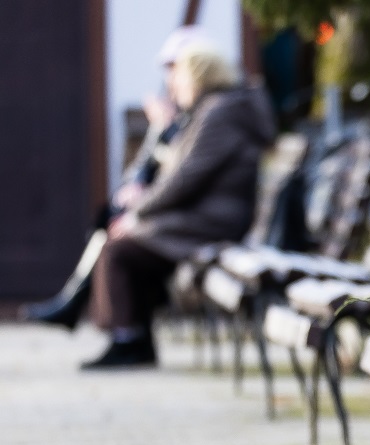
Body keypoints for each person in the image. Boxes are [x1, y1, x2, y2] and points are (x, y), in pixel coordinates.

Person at [83, 43, 276, 369]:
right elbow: (179, 173)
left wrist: (137, 215)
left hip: (213, 222)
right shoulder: (214, 110)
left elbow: (184, 179)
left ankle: (128, 340)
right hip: (208, 216)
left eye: (179, 77)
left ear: (199, 77)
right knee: (123, 244)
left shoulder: (220, 113)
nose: (173, 86)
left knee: (119, 250)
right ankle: (133, 338)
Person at [20, 26, 213, 330]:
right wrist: (159, 131)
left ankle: (119, 331)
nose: (171, 78)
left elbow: (183, 177)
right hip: (182, 215)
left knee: (118, 238)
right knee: (110, 219)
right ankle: (85, 309)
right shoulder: (191, 114)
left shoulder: (207, 114)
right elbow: (147, 171)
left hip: (195, 221)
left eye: (175, 68)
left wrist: (140, 210)